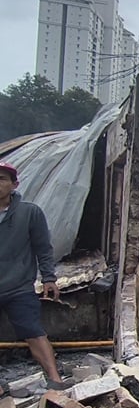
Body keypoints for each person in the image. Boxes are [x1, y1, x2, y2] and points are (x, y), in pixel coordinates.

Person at [0, 162, 69, 388]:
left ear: (14, 184)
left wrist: (49, 278)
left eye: (1, 179)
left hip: (18, 286)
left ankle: (55, 379)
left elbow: (42, 247)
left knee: (33, 331)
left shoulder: (29, 213)